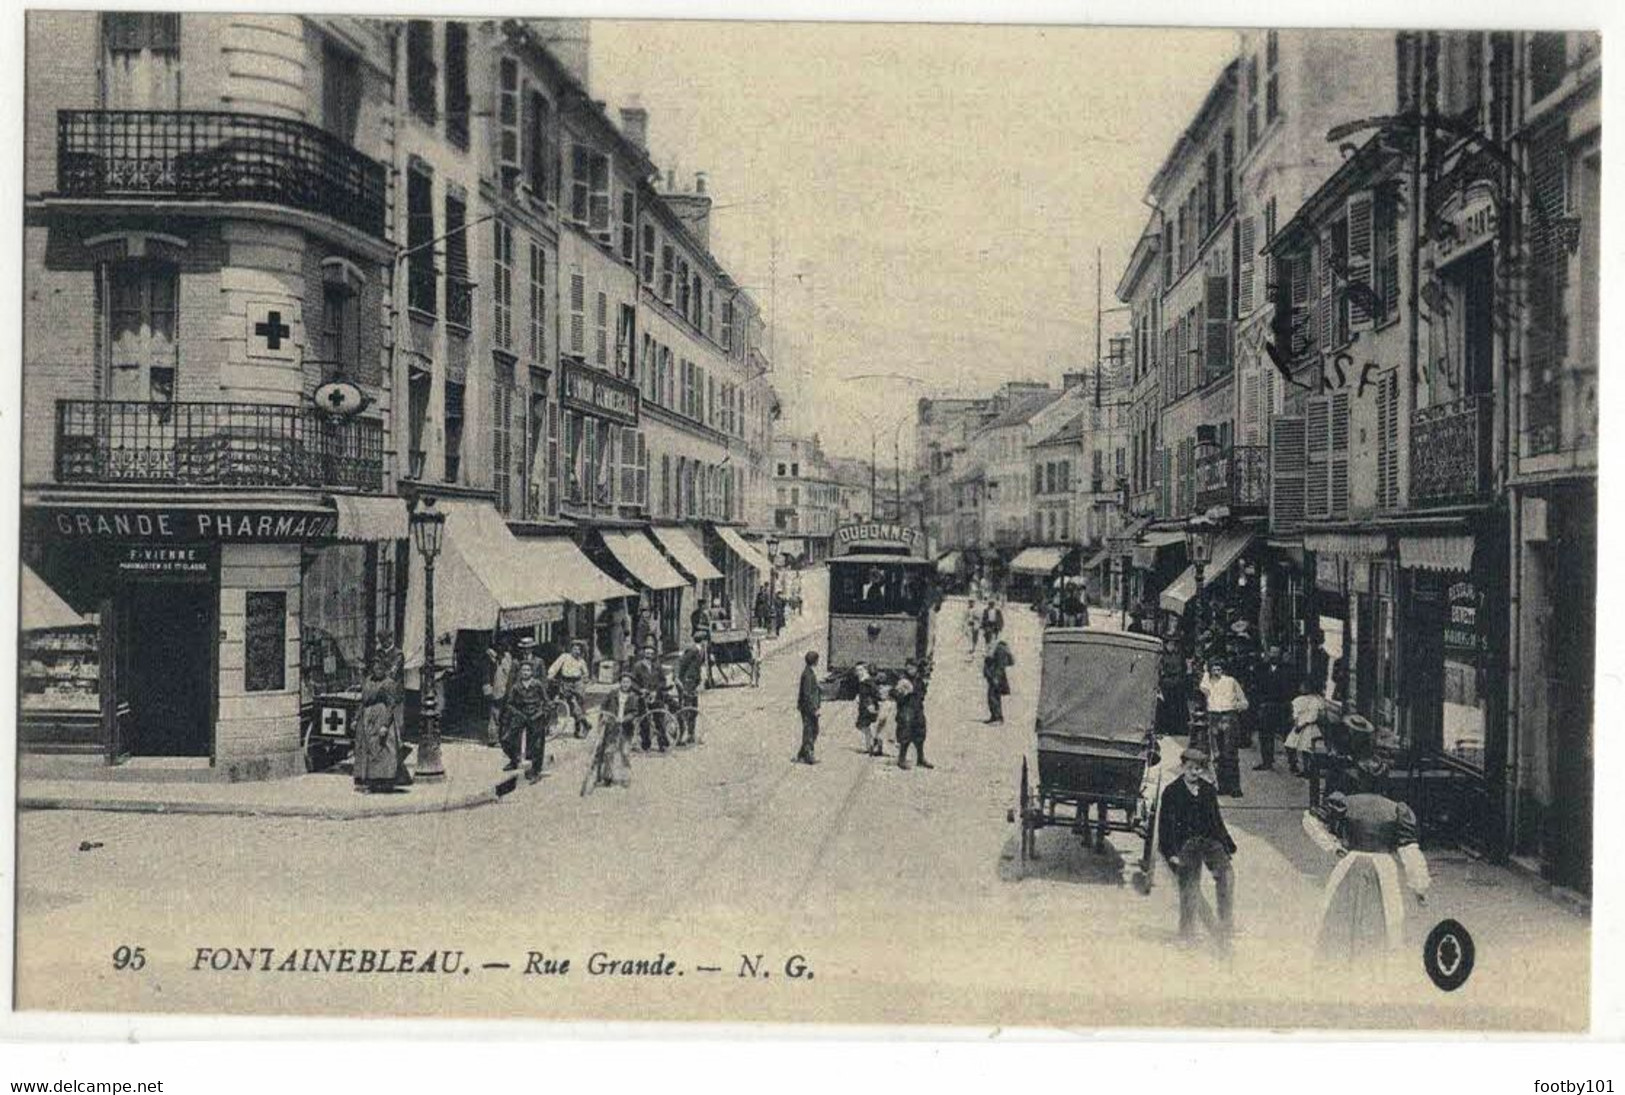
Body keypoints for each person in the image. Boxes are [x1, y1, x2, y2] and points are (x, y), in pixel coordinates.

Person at [1302, 758, 1431, 963]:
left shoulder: (1345, 803)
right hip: (1384, 867)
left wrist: (1334, 846)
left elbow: (1311, 820)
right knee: (1386, 916)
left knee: (1342, 913)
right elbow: (1409, 851)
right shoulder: (1397, 810)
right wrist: (1419, 887)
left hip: (1351, 863)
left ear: (1359, 779)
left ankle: (1342, 961)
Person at [1158, 746, 1237, 953]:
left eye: (1199, 769)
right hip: (1186, 844)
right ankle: (1186, 933)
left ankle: (1225, 925)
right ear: (1182, 767)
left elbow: (1216, 820)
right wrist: (1171, 853)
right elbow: (1165, 826)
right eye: (1191, 768)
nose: (1195, 773)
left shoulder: (1208, 790)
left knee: (1227, 876)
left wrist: (1227, 845)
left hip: (1210, 841)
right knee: (1190, 886)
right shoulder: (1172, 792)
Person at [355, 649, 404, 793]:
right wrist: (356, 718)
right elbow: (362, 701)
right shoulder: (368, 680)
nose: (378, 671)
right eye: (375, 668)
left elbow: (391, 705)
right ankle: (369, 781)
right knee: (368, 749)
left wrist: (385, 725)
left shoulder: (389, 683)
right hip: (367, 717)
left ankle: (383, 782)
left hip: (381, 716)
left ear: (385, 669)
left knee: (381, 750)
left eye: (381, 668)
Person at [1199, 657, 1249, 797]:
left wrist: (1235, 707)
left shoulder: (1231, 681)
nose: (1217, 671)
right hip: (1214, 717)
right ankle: (1222, 786)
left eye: (1219, 668)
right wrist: (1205, 672)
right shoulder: (1208, 683)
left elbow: (1244, 701)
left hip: (1228, 717)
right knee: (1217, 755)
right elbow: (1203, 689)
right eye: (1214, 668)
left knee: (1230, 754)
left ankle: (1235, 788)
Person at [584, 672, 641, 792]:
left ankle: (625, 777)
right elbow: (604, 707)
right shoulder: (612, 694)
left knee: (624, 752)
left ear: (631, 684)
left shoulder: (633, 697)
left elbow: (635, 712)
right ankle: (607, 777)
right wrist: (603, 717)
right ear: (620, 683)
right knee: (608, 751)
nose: (625, 685)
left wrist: (624, 719)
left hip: (626, 728)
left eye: (628, 682)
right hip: (611, 726)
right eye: (623, 682)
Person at [503, 660, 552, 783]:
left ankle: (535, 771)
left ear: (532, 672)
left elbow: (547, 702)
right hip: (521, 715)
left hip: (536, 715)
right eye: (523, 670)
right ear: (520, 672)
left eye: (528, 670)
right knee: (507, 739)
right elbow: (509, 704)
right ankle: (515, 759)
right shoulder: (516, 687)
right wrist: (517, 714)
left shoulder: (537, 684)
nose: (526, 673)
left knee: (536, 745)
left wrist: (541, 713)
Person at [1252, 643, 1299, 772]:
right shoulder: (1261, 668)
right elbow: (1256, 687)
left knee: (1288, 736)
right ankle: (1267, 761)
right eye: (1271, 652)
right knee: (1265, 735)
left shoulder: (1288, 669)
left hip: (1283, 706)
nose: (1273, 655)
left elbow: (1293, 688)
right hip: (1266, 706)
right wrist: (1259, 704)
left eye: (1276, 653)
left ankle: (1293, 763)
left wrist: (1290, 704)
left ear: (1281, 655)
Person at [1287, 679, 1330, 805]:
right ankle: (1294, 764)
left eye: (1304, 686)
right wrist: (1297, 724)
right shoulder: (1299, 700)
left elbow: (1313, 716)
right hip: (1300, 725)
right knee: (1290, 745)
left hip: (1309, 727)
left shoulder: (1315, 700)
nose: (1302, 688)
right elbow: (1295, 714)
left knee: (1306, 749)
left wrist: (1302, 724)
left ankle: (1308, 769)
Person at [547, 639, 592, 737]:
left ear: (581, 651)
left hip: (577, 683)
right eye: (574, 649)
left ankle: (579, 729)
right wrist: (551, 675)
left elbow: (586, 674)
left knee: (577, 705)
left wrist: (585, 682)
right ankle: (585, 723)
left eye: (578, 650)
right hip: (565, 682)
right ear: (571, 649)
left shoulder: (581, 661)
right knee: (564, 704)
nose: (576, 651)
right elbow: (555, 666)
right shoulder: (564, 657)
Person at [1156, 635, 1189, 740]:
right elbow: (1159, 670)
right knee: (1165, 707)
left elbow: (1183, 668)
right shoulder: (1162, 656)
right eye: (1169, 643)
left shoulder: (1179, 655)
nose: (1172, 646)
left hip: (1177, 684)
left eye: (1173, 644)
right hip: (1166, 684)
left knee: (1178, 707)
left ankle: (1177, 728)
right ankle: (1164, 728)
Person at [485, 640, 515, 748]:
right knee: (495, 714)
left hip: (506, 689)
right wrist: (488, 689)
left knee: (505, 715)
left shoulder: (507, 658)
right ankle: (493, 738)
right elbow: (487, 675)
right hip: (496, 690)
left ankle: (504, 737)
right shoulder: (491, 660)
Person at [795, 650, 822, 764]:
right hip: (808, 708)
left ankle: (802, 754)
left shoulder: (808, 672)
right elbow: (807, 694)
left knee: (811, 730)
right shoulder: (808, 674)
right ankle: (808, 755)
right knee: (811, 731)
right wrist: (814, 709)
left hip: (808, 707)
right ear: (815, 661)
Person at [675, 641, 704, 746]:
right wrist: (679, 679)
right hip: (686, 683)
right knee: (685, 709)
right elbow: (682, 663)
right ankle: (680, 736)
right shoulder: (693, 650)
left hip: (693, 683)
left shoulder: (700, 650)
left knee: (693, 710)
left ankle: (691, 735)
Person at [983, 634, 1014, 724]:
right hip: (993, 676)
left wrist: (996, 677)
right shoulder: (994, 647)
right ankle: (994, 717)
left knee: (993, 697)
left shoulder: (999, 648)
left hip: (996, 677)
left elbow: (1000, 665)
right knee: (992, 697)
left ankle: (998, 718)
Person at [854, 662, 881, 755]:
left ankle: (873, 745)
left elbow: (875, 694)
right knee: (865, 726)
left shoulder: (868, 681)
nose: (858, 672)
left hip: (869, 707)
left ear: (866, 670)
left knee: (866, 726)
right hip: (864, 706)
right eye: (857, 670)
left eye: (861, 670)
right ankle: (871, 746)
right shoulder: (862, 681)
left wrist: (872, 704)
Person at [873, 673, 898, 756]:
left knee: (880, 731)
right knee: (889, 732)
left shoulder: (878, 689)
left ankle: (880, 749)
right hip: (891, 711)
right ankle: (888, 751)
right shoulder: (891, 688)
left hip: (884, 706)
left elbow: (882, 716)